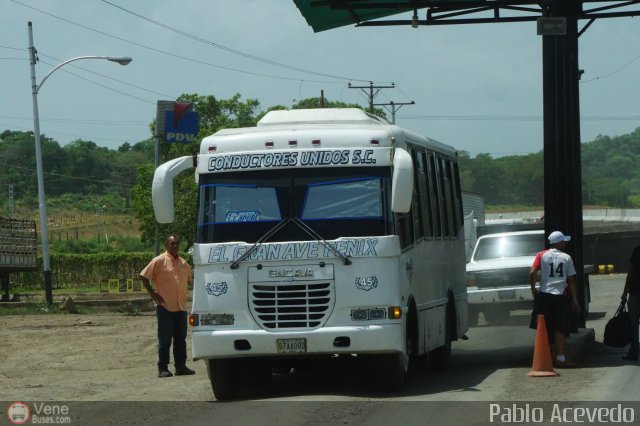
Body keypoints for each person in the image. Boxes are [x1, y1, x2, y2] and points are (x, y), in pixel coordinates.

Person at [140, 235, 195, 378]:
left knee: (180, 339)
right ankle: (163, 368)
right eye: (172, 243)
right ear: (166, 245)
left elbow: (189, 280)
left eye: (177, 243)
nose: (175, 246)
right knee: (165, 339)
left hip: (181, 307)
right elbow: (144, 276)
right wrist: (152, 293)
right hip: (165, 306)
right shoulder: (158, 261)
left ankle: (180, 366)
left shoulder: (184, 264)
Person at [529, 230, 581, 368]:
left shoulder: (541, 255)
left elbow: (532, 272)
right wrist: (575, 301)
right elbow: (571, 280)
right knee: (560, 329)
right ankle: (560, 358)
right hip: (560, 296)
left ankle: (543, 357)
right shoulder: (566, 258)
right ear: (558, 242)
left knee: (543, 328)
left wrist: (534, 289)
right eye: (563, 240)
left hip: (544, 295)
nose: (564, 242)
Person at [621, 245, 640, 361]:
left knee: (634, 324)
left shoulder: (638, 250)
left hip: (635, 292)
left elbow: (631, 272)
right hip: (635, 292)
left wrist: (624, 292)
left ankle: (634, 352)